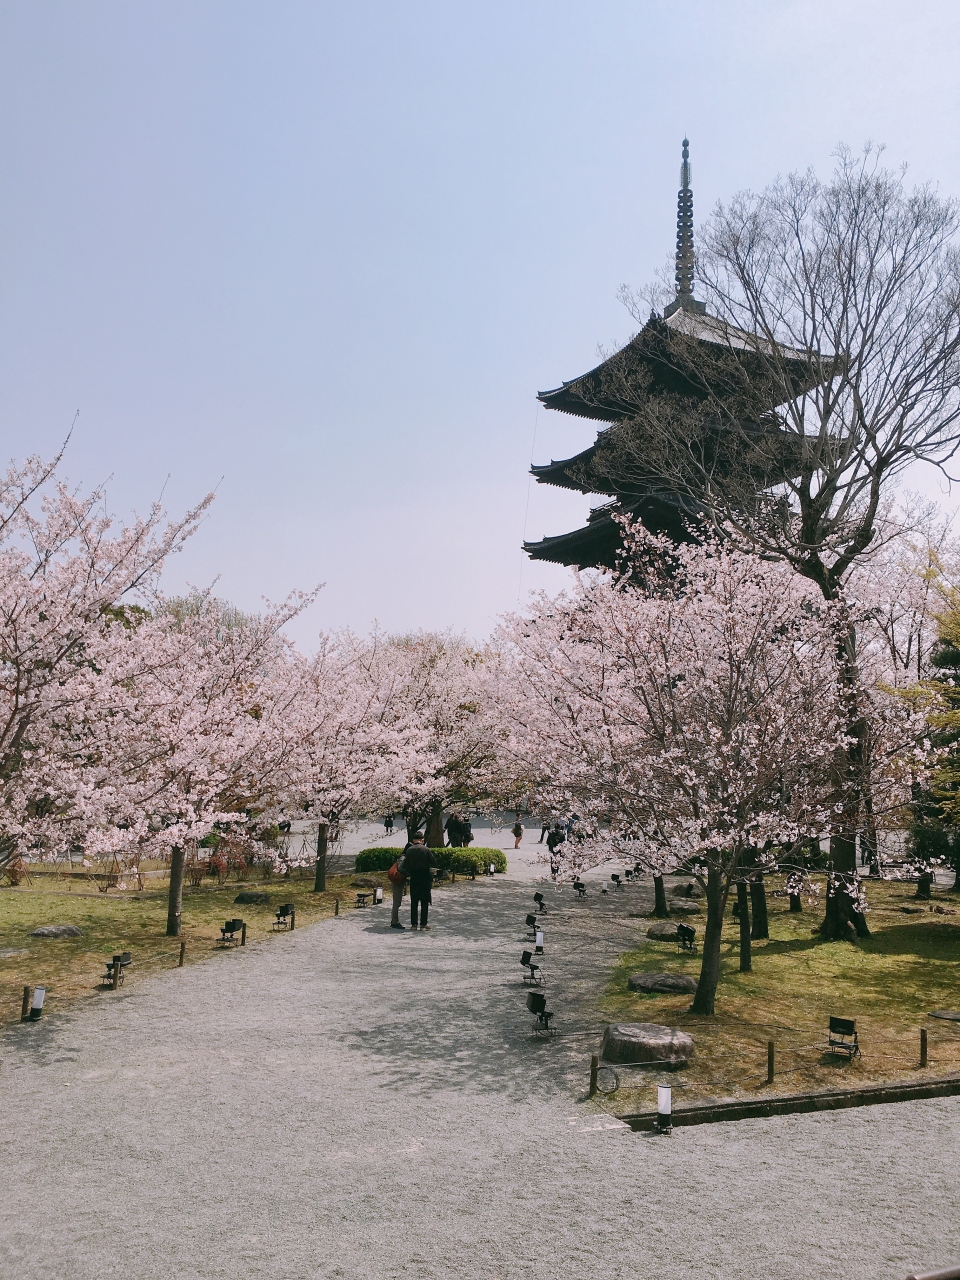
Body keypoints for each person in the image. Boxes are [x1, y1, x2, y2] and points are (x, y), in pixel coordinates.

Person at [404, 834, 436, 931]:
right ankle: (423, 924)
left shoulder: (409, 850)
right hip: (425, 877)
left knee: (414, 902)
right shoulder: (426, 850)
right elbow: (434, 861)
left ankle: (414, 924)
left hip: (414, 877)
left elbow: (405, 865)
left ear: (414, 840)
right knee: (424, 901)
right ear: (422, 840)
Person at [388, 848, 407, 929]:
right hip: (398, 881)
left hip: (396, 881)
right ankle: (394, 921)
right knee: (397, 902)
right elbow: (401, 870)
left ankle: (394, 920)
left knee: (396, 901)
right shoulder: (404, 859)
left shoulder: (401, 857)